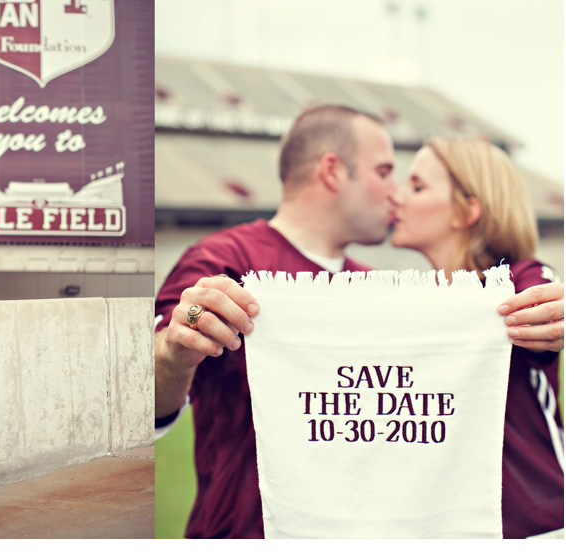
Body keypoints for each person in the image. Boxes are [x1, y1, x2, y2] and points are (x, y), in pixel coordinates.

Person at [154, 104, 564, 538]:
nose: (395, 193)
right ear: (333, 171)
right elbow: (147, 401)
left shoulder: (374, 284)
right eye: (385, 172)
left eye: (412, 183)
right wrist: (171, 351)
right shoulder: (222, 263)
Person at [390, 136, 563, 537]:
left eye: (417, 186)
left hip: (540, 527)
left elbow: (548, 306)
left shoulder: (522, 280)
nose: (396, 197)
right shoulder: (411, 301)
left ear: (466, 211)